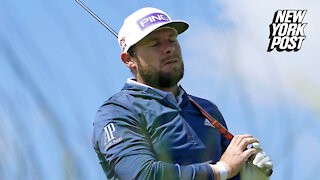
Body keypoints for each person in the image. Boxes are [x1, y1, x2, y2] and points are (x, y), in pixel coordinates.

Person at [92, 7, 273, 180]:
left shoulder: (206, 108)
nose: (168, 48)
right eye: (155, 43)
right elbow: (142, 174)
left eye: (172, 39)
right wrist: (222, 170)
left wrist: (248, 173)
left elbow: (229, 172)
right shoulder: (118, 111)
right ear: (129, 60)